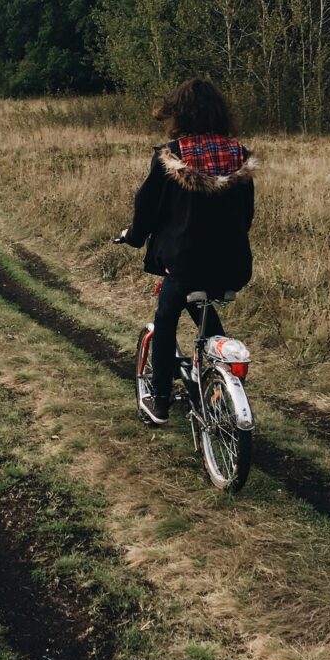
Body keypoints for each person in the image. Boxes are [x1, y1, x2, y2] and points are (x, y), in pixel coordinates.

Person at [117, 79, 257, 425]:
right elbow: (247, 214)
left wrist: (133, 237)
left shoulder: (172, 156)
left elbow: (146, 209)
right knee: (205, 312)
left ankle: (160, 401)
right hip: (234, 264)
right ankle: (219, 379)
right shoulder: (238, 155)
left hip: (185, 263)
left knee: (165, 320)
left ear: (178, 113)